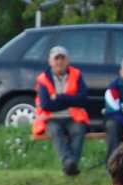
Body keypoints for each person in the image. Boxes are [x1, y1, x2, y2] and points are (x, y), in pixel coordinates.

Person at [32, 45, 90, 176]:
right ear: (50, 61)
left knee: (79, 129)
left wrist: (59, 97)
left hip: (73, 116)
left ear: (67, 60)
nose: (59, 62)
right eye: (56, 58)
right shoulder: (43, 79)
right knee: (55, 131)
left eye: (62, 58)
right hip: (51, 118)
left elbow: (83, 99)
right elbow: (46, 105)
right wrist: (70, 101)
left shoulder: (77, 75)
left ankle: (70, 166)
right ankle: (69, 163)